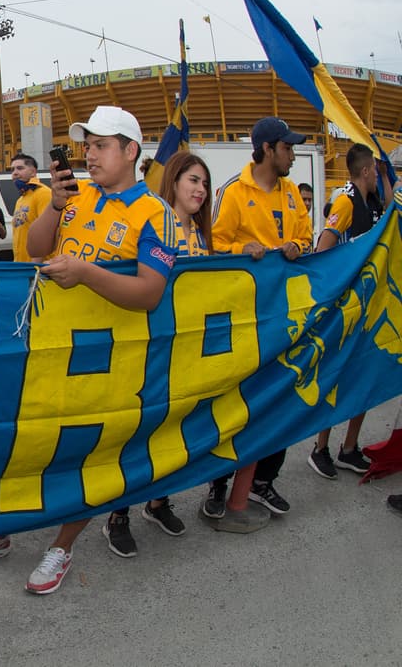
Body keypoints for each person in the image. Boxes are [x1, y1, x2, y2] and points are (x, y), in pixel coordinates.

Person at [22, 106, 179, 595]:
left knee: (91, 456)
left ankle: (62, 548)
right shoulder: (73, 195)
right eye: (86, 145)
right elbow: (34, 248)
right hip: (50, 348)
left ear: (130, 151)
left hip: (108, 360)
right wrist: (53, 206)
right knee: (26, 443)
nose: (89, 155)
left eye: (101, 145)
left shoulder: (156, 214)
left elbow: (151, 293)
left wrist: (87, 274)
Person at [158, 152, 270, 534]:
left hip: (193, 349)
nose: (201, 190)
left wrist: (247, 252)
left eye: (204, 183)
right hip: (159, 348)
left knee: (178, 427)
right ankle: (120, 515)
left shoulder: (201, 235)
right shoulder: (156, 225)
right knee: (150, 428)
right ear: (173, 182)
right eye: (193, 180)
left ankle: (159, 502)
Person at [210, 117, 312, 518]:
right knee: (237, 401)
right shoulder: (233, 192)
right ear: (268, 149)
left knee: (281, 396)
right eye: (287, 147)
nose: (292, 154)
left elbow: (306, 236)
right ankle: (219, 483)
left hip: (283, 316)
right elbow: (212, 244)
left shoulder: (291, 193)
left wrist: (296, 246)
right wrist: (242, 247)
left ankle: (264, 482)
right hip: (243, 318)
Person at [307, 143, 384, 479]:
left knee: (365, 377)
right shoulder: (346, 200)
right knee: (337, 377)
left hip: (372, 304)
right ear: (366, 170)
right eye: (376, 171)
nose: (379, 177)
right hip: (348, 307)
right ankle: (320, 449)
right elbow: (325, 245)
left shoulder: (374, 202)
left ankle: (349, 449)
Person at [9, 153, 52, 263]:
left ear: (33, 172)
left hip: (36, 267)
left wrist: (36, 265)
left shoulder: (43, 193)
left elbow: (47, 231)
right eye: (12, 169)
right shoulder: (21, 199)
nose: (15, 173)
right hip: (21, 265)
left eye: (20, 168)